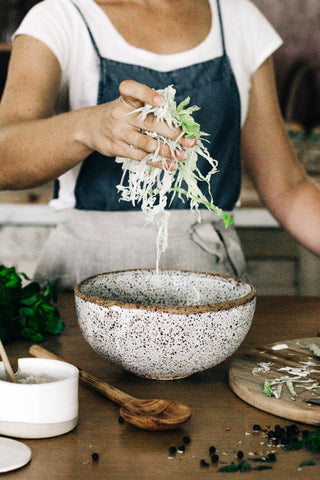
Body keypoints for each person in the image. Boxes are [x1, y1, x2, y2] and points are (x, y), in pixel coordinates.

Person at [0, 0, 320, 290]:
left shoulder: (238, 19)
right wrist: (88, 126)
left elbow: (288, 188)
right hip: (82, 286)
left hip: (209, 288)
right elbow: (5, 159)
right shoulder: (61, 17)